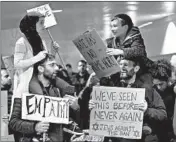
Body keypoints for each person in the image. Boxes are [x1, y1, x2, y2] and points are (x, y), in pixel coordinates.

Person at [89, 55, 167, 142]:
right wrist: (95, 107)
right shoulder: (111, 89)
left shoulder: (146, 89)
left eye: (125, 65)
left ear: (136, 68)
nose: (121, 67)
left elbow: (162, 114)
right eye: (120, 65)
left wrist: (147, 111)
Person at [9, 54, 79, 142]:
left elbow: (68, 120)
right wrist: (34, 127)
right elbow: (13, 122)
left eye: (56, 65)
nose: (57, 68)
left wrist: (76, 108)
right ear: (40, 69)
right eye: (52, 65)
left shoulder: (58, 90)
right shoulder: (24, 90)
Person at [152, 59, 176, 142]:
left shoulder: (173, 91)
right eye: (155, 84)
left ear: (168, 80)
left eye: (161, 84)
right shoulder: (152, 90)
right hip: (157, 132)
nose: (158, 87)